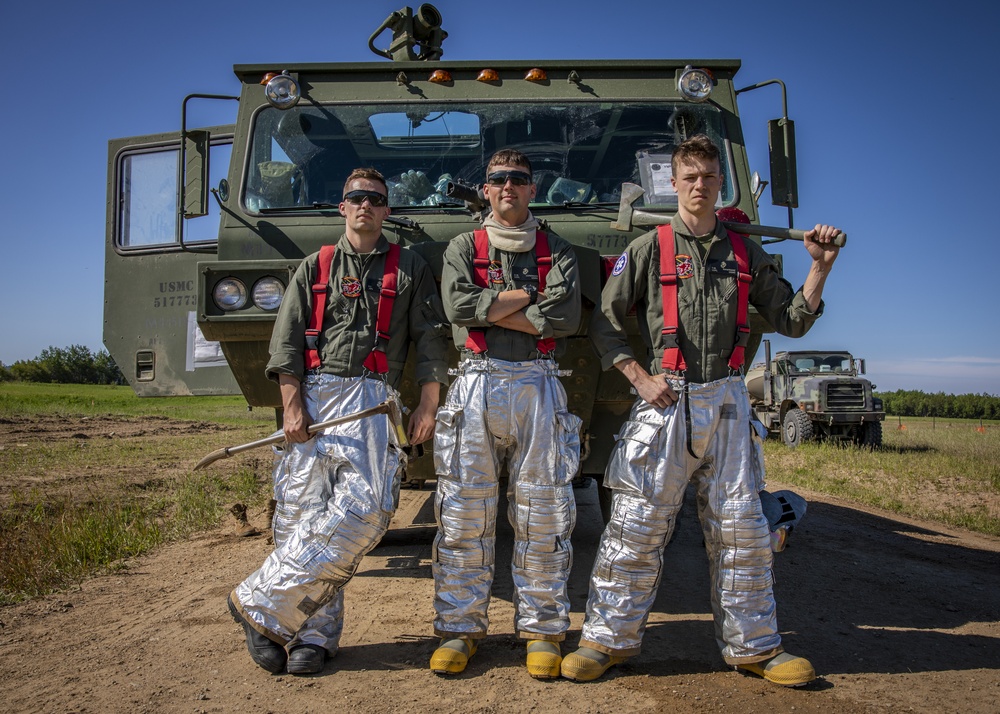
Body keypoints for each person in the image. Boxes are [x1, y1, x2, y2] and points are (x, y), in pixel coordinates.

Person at [562, 134, 841, 687]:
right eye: (688, 177)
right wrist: (639, 379)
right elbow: (605, 323)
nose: (699, 186)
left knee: (743, 531)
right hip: (665, 399)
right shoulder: (648, 249)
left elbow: (792, 320)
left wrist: (821, 266)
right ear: (674, 184)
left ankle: (756, 648)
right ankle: (605, 641)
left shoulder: (744, 253)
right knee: (635, 527)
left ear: (720, 183)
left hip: (730, 401)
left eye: (709, 177)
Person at [228, 168, 449, 675]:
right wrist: (291, 404)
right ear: (342, 208)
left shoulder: (409, 266)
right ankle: (311, 636)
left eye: (375, 198)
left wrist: (428, 403)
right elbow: (285, 342)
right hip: (315, 394)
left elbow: (432, 339)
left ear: (387, 210)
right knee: (301, 514)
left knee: (366, 510)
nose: (365, 205)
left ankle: (258, 603)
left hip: (373, 400)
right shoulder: (316, 265)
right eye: (356, 197)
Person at [430, 149, 582, 679]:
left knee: (543, 514)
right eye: (498, 180)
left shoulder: (557, 248)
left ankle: (542, 630)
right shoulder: (460, 248)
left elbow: (563, 319)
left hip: (538, 385)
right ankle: (459, 628)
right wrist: (530, 301)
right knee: (463, 513)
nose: (508, 187)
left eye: (518, 179)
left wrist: (493, 306)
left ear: (532, 189)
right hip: (474, 381)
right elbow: (458, 307)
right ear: (487, 190)